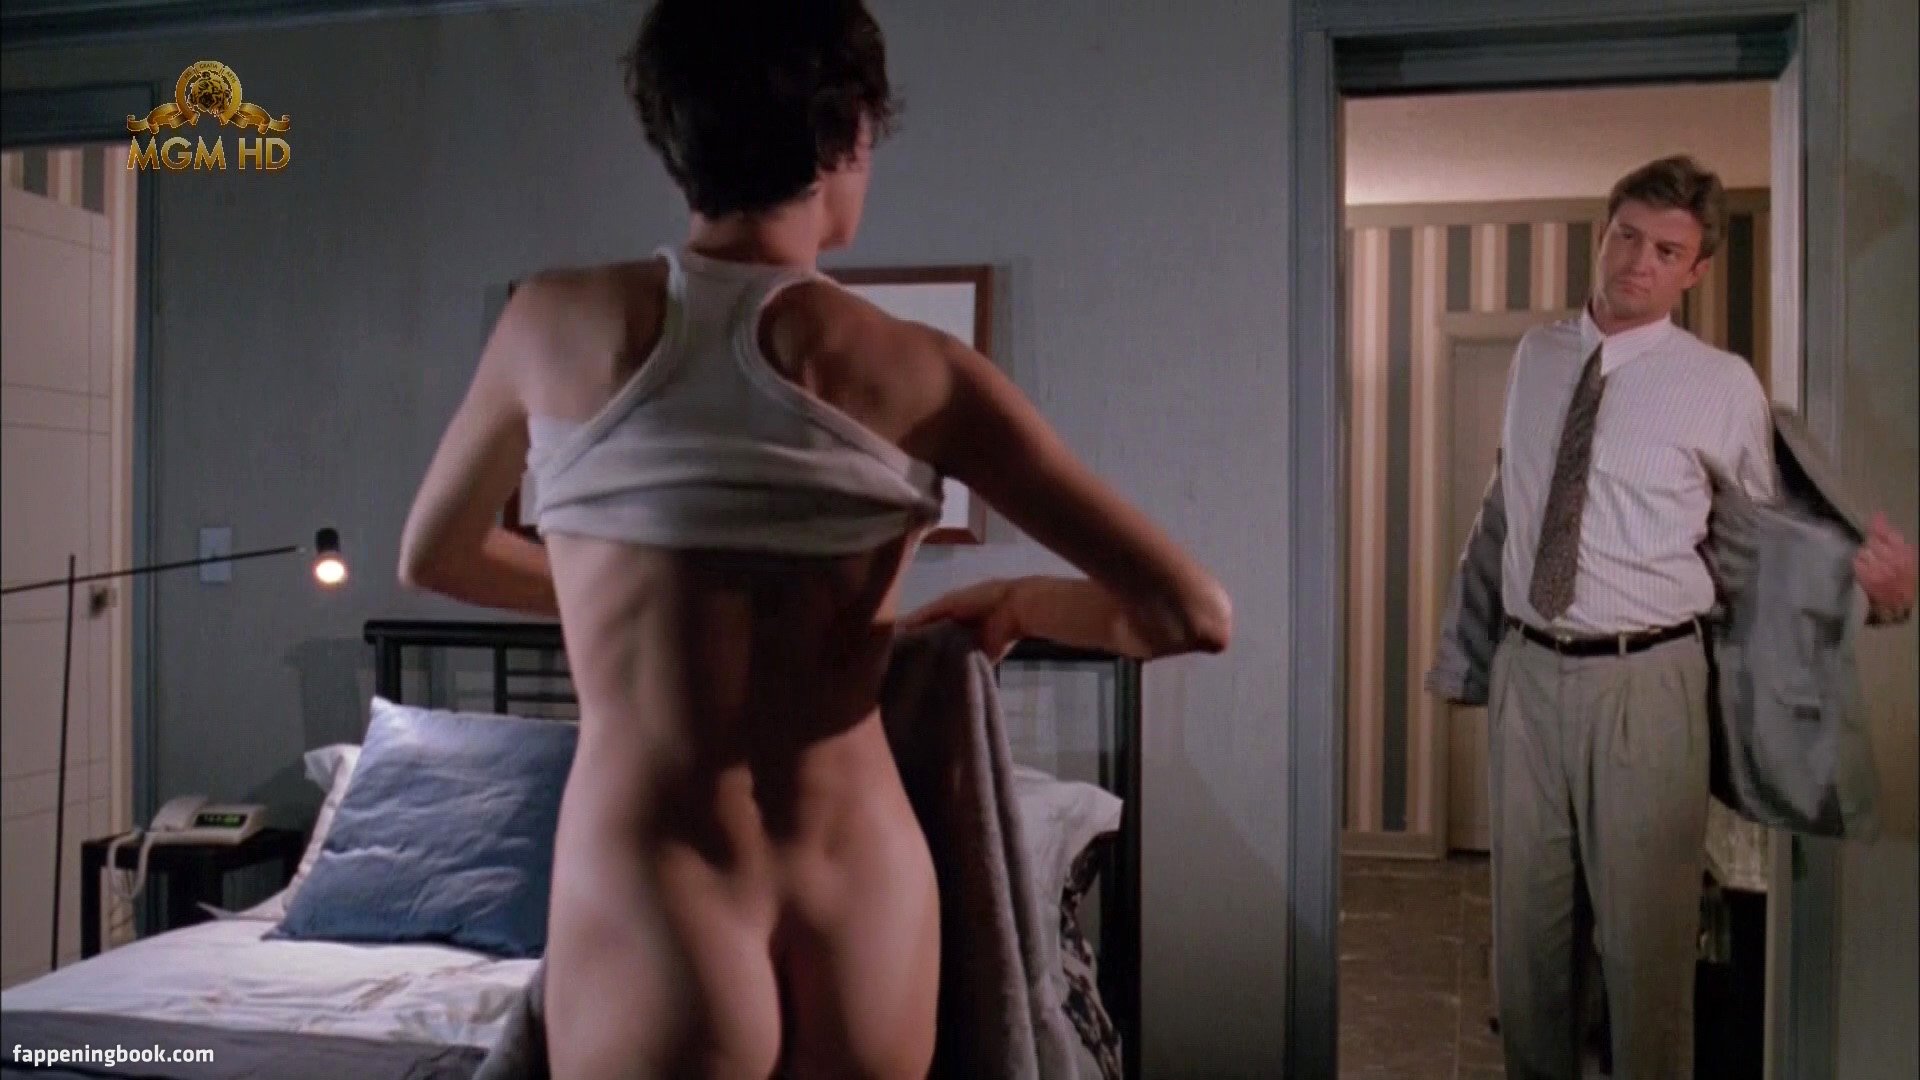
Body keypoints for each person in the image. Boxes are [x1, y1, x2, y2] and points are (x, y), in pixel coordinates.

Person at [395, 2, 1232, 1078]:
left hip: (654, 882)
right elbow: (1189, 613)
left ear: (673, 132)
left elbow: (436, 554)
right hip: (861, 886)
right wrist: (1018, 602)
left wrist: (621, 598)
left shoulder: (552, 321)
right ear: (851, 134)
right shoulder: (921, 371)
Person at [1456, 154, 1916, 1080]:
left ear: (1695, 270)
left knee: (1647, 960)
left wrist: (1870, 594)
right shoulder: (1536, 357)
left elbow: (1761, 541)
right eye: (1627, 236)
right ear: (1603, 233)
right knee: (1528, 960)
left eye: (1667, 251)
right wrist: (1466, 655)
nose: (1639, 262)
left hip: (1650, 683)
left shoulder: (1720, 384)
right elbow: (1508, 508)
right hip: (1526, 675)